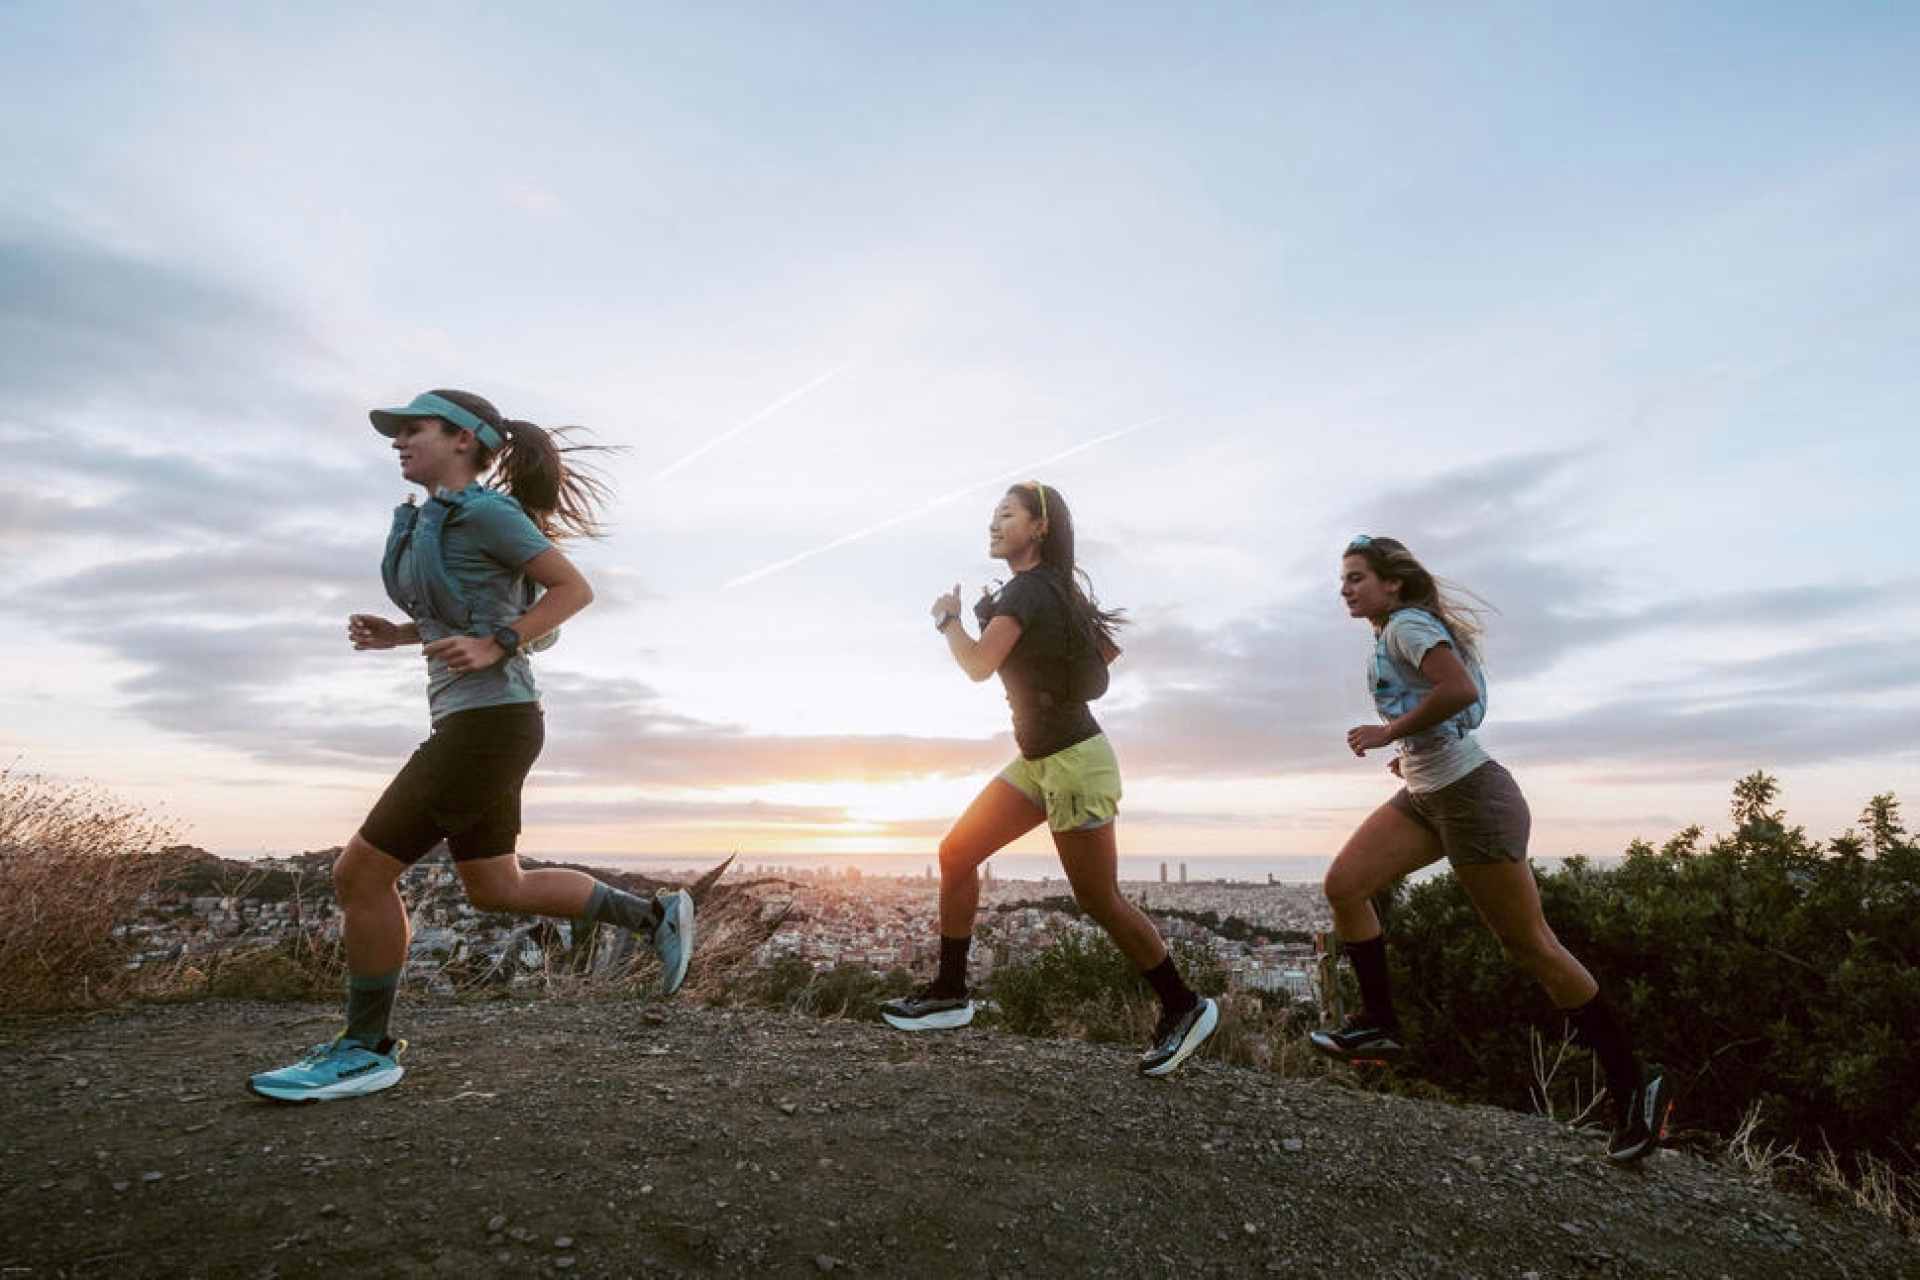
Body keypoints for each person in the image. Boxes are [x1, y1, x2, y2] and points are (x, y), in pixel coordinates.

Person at [247, 389, 694, 1104]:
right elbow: (469, 606)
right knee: (496, 888)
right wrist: (401, 635)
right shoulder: (439, 518)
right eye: (396, 432)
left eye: (413, 429)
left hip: (491, 727)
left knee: (358, 875)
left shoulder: (486, 511)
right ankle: (653, 915)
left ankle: (364, 1050)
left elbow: (572, 589)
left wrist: (498, 643)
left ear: (463, 440)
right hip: (481, 724)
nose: (398, 441)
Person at [1312, 534, 1671, 1163]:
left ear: (1393, 583)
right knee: (1345, 886)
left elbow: (1459, 691)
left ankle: (1635, 1091)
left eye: (1356, 577)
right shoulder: (1393, 633)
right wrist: (1412, 751)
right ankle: (1380, 1026)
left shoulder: (1407, 626)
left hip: (1473, 799)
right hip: (1430, 794)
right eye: (1343, 580)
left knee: (1532, 945)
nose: (1345, 589)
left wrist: (1387, 733)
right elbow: (1444, 706)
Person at [878, 482, 1218, 1077]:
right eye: (991, 516)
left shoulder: (1029, 589)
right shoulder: (1052, 589)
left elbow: (978, 666)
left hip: (1075, 763)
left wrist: (948, 619)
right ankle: (950, 994)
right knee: (957, 853)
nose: (993, 524)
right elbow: (1101, 658)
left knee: (1097, 898)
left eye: (1005, 515)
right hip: (1041, 759)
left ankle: (1184, 1005)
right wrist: (1029, 646)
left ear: (1039, 527)